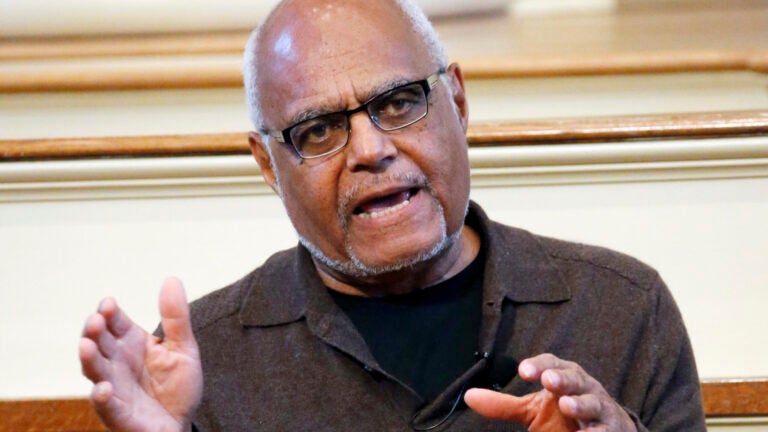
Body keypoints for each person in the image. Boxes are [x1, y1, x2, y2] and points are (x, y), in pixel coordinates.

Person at [79, 0, 706, 430]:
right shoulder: (204, 363)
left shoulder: (622, 308)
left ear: (457, 102)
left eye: (400, 102)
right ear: (268, 164)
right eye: (318, 130)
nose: (371, 150)